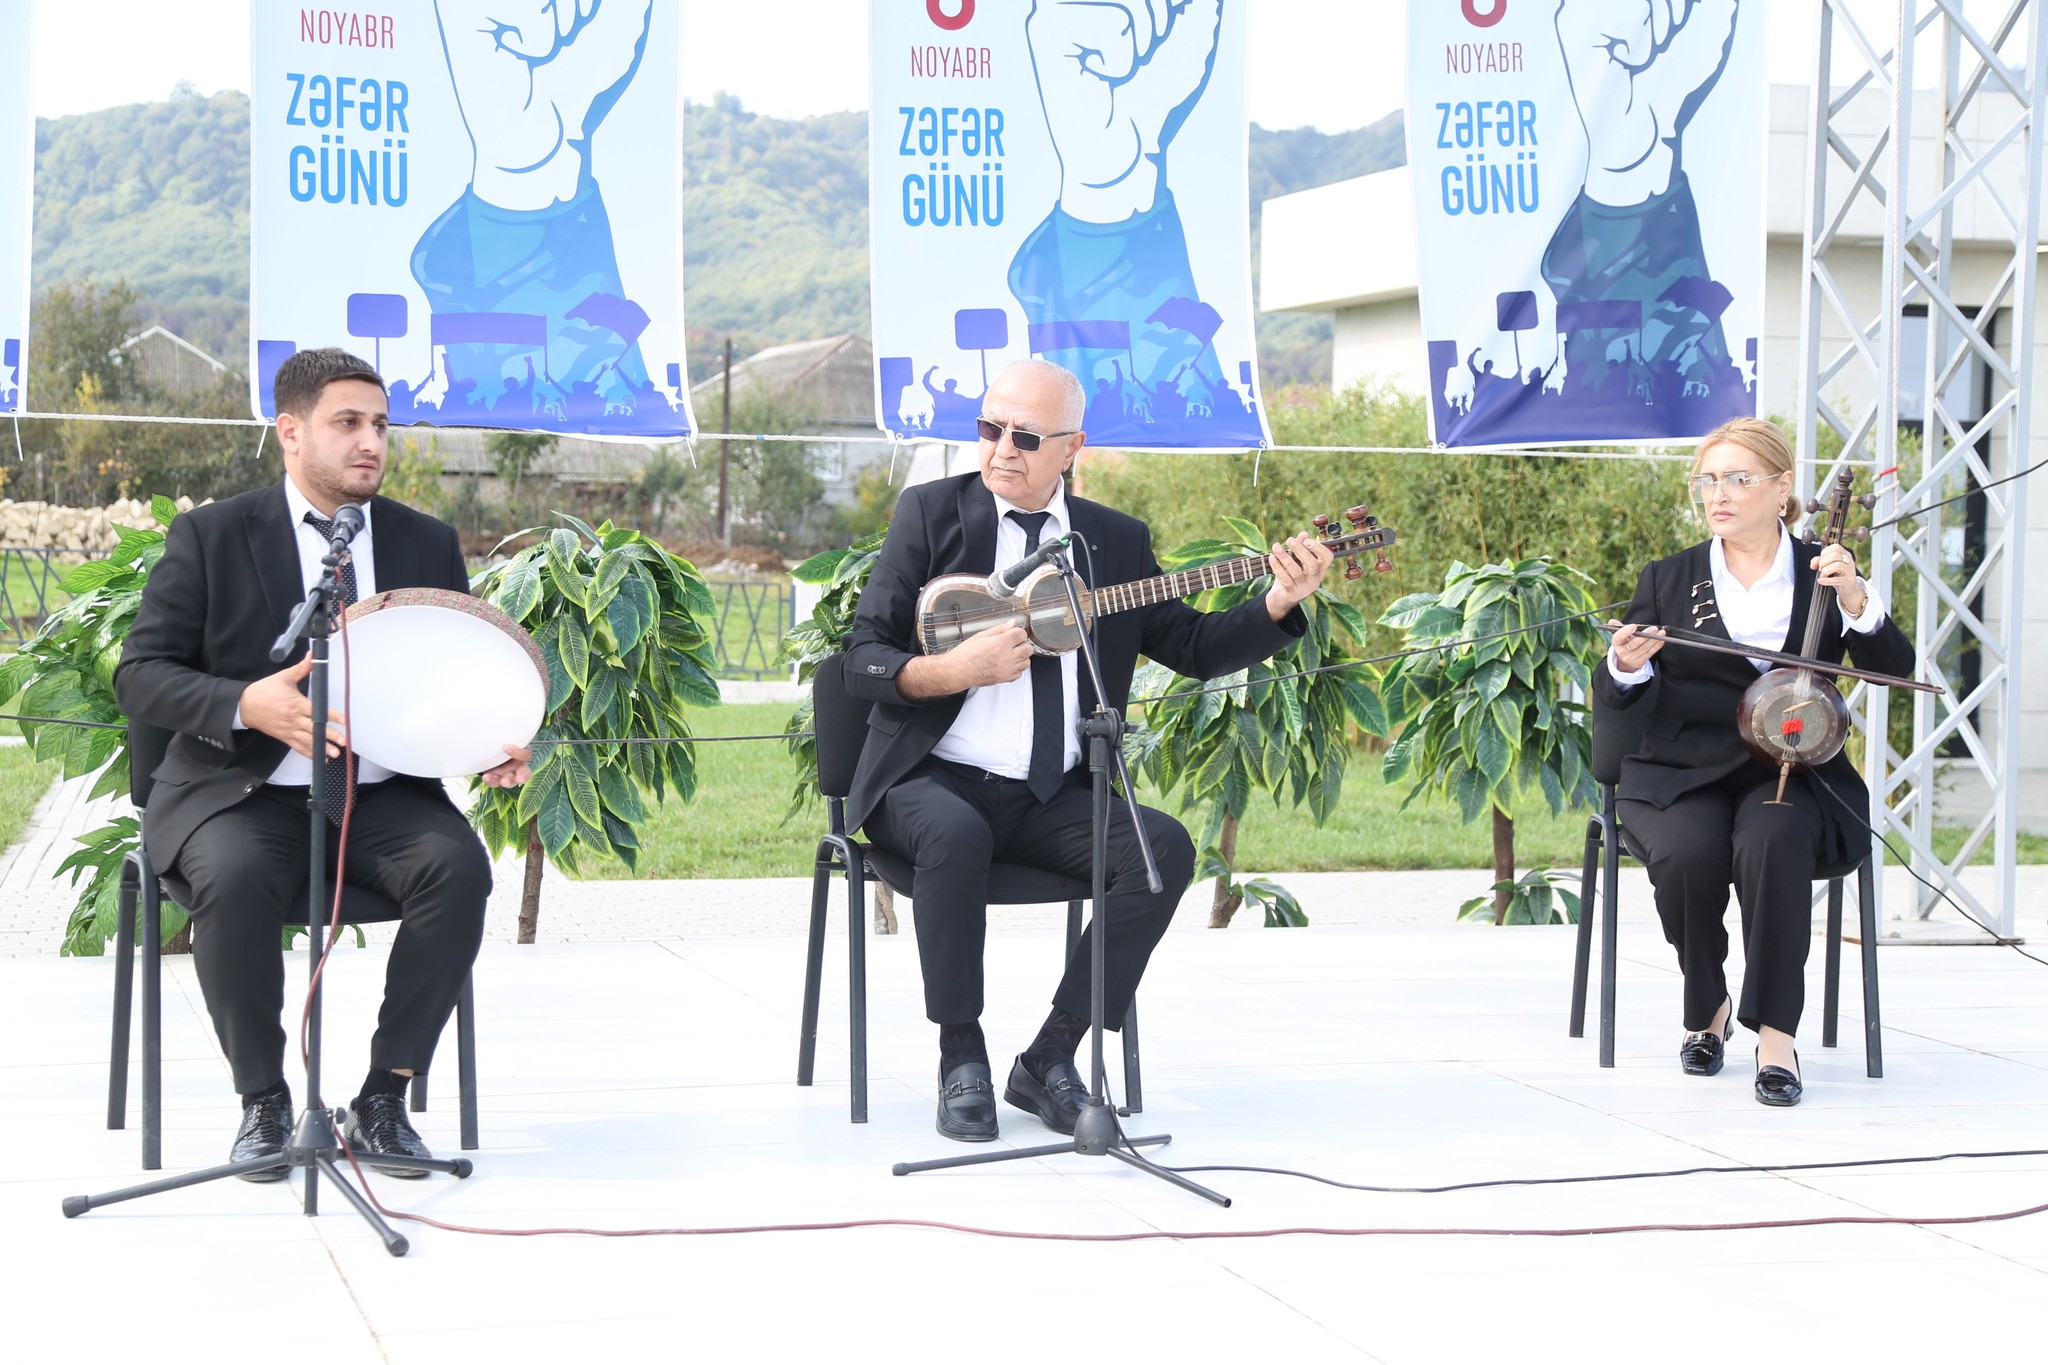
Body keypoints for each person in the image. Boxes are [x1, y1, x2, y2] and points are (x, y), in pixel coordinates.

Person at [842, 358, 1332, 1142]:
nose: (1002, 448)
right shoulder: (930, 514)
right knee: (956, 832)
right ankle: (960, 1051)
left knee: (1160, 850)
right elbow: (861, 658)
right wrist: (954, 670)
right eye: (990, 428)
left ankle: (1050, 1055)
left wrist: (1278, 601)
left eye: (1025, 436)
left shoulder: (1112, 541)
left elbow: (1194, 647)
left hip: (1049, 795)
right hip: (928, 782)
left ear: (1073, 447)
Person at [115, 347, 532, 1176]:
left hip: (381, 798)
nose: (371, 441)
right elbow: (141, 674)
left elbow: (453, 678)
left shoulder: (426, 541)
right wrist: (247, 703)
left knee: (458, 868)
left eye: (380, 424)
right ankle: (265, 1102)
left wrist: (489, 745)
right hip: (242, 793)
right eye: (348, 423)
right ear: (291, 431)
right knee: (235, 877)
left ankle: (383, 1098)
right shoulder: (212, 535)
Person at [1596, 417, 1912, 1107]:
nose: (1720, 493)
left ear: (1781, 487)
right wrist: (1625, 663)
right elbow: (1621, 693)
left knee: (1773, 840)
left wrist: (1858, 601)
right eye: (1708, 479)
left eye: (1739, 478)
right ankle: (1706, 1006)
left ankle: (1776, 1035)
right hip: (1683, 769)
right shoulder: (1669, 577)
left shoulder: (1823, 572)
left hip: (1793, 770)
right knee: (1686, 854)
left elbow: (1895, 666)